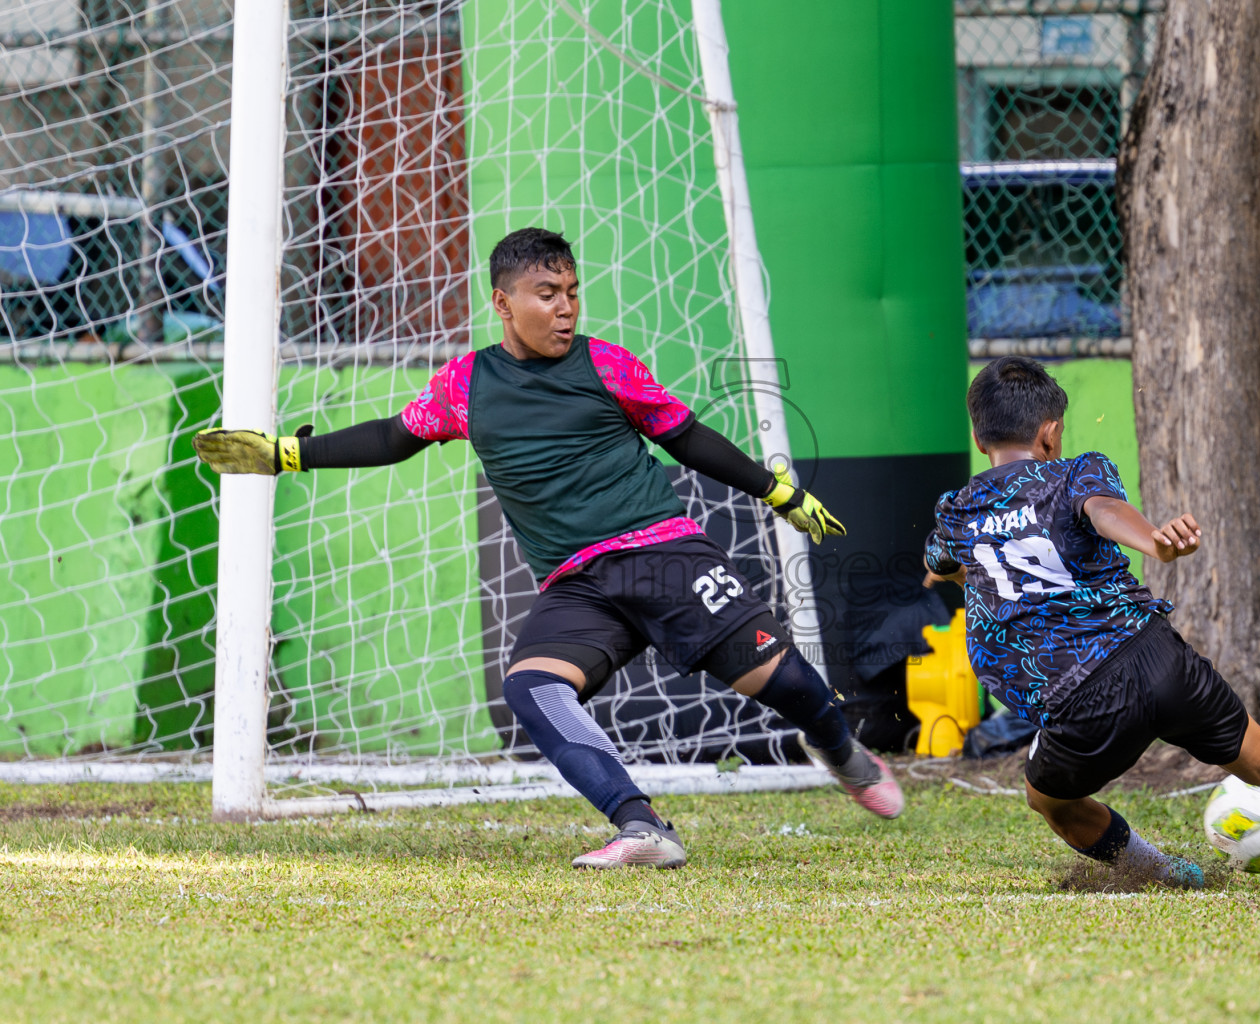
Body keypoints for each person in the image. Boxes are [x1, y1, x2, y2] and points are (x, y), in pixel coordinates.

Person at [194, 227, 903, 869]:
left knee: (788, 688)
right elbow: (391, 439)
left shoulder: (609, 366)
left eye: (571, 292)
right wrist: (288, 453)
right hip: (576, 583)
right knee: (531, 688)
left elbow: (683, 437)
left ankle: (837, 746)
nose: (565, 309)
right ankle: (641, 825)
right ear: (502, 303)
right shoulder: (465, 384)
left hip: (664, 556)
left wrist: (777, 492)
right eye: (546, 294)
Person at [921, 356, 1260, 888]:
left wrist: (963, 576)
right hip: (1153, 654)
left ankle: (1167, 873)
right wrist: (1153, 541)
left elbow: (943, 563)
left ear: (978, 439)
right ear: (1050, 434)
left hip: (1077, 702)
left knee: (1047, 800)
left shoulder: (957, 511)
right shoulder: (1074, 471)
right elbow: (1103, 509)